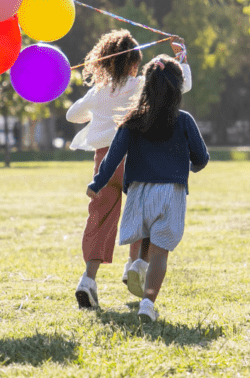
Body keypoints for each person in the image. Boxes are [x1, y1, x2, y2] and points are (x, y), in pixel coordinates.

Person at [66, 30, 191, 310]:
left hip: (104, 163)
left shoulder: (98, 91)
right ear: (135, 63)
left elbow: (71, 115)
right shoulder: (141, 85)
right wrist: (181, 57)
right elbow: (181, 85)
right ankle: (134, 265)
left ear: (105, 64)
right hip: (135, 160)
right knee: (143, 214)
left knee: (99, 220)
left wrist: (97, 108)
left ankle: (88, 279)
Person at [87, 55, 209, 322]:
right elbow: (202, 158)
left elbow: (113, 157)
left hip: (139, 192)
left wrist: (97, 183)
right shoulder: (185, 120)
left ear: (146, 86)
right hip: (171, 192)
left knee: (144, 232)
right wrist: (188, 167)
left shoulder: (132, 120)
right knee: (160, 253)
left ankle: (138, 263)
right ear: (177, 89)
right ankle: (147, 303)